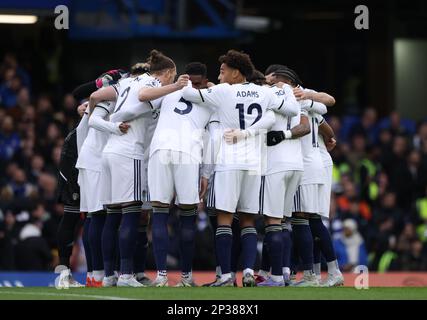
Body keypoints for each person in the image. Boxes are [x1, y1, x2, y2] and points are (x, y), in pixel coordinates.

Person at [181, 50, 299, 286]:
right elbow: (292, 110)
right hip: (253, 164)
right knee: (247, 220)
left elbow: (188, 94)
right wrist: (287, 90)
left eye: (223, 71)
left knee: (225, 220)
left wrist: (183, 83)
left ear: (236, 72)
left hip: (229, 162)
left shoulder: (223, 91)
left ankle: (225, 276)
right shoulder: (263, 91)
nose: (219, 74)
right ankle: (247, 270)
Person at [90, 49, 188, 287]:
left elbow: (109, 101)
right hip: (128, 152)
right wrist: (175, 88)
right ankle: (125, 275)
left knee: (112, 216)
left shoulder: (126, 82)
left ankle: (109, 275)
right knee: (131, 214)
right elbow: (144, 97)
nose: (171, 82)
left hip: (109, 152)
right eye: (171, 77)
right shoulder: (151, 82)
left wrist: (115, 118)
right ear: (165, 73)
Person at [139, 62, 213, 287]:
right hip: (188, 153)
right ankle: (186, 277)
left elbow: (143, 98)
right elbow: (210, 139)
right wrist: (206, 174)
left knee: (159, 214)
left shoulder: (168, 94)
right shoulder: (210, 98)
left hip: (160, 150)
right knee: (187, 216)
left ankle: (161, 276)